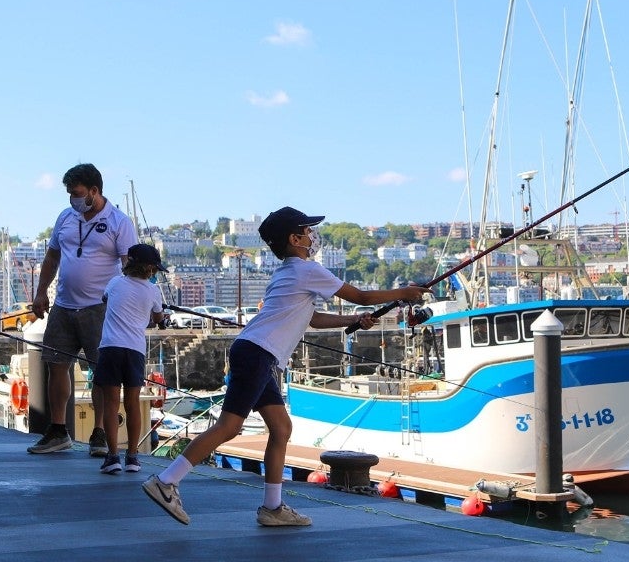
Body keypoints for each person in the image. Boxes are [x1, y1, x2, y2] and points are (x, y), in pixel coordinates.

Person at [142, 206, 430, 526]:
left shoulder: (287, 273)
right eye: (308, 231)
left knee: (281, 428)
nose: (313, 236)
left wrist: (352, 321)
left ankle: (273, 507)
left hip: (259, 354)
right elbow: (360, 295)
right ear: (294, 238)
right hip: (257, 354)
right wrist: (404, 292)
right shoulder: (307, 270)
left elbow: (314, 319)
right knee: (229, 426)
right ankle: (167, 481)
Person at [28, 163, 139, 455]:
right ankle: (57, 430)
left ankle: (100, 432)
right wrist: (40, 292)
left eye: (76, 193)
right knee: (56, 367)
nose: (72, 200)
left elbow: (130, 267)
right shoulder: (65, 217)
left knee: (103, 374)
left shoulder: (119, 222)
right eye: (68, 194)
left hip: (99, 309)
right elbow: (52, 258)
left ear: (94, 191)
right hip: (63, 306)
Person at [95, 243, 166, 475]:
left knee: (111, 403)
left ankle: (112, 456)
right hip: (135, 351)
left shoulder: (115, 283)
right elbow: (157, 318)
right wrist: (160, 317)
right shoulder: (154, 291)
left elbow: (106, 300)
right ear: (150, 269)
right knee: (133, 403)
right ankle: (133, 457)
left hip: (110, 348)